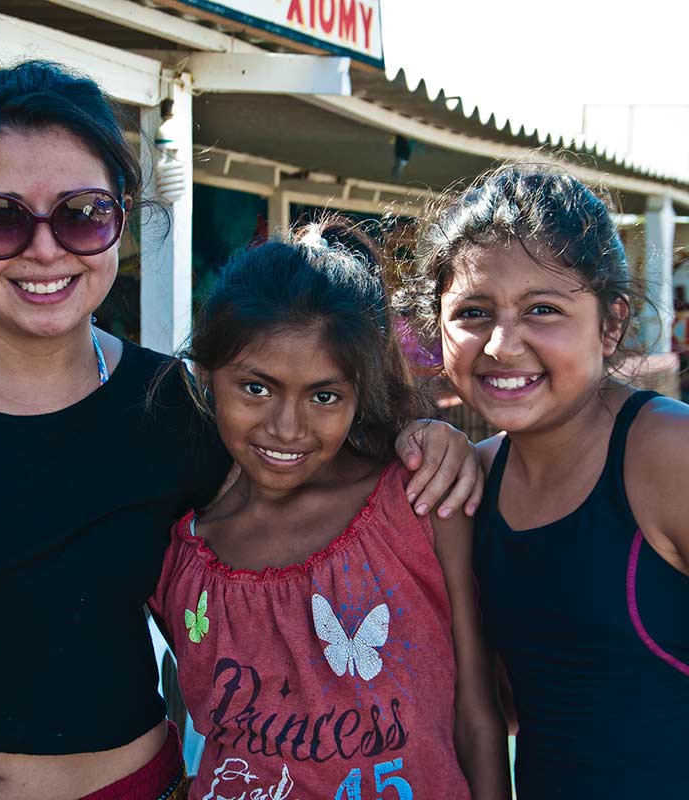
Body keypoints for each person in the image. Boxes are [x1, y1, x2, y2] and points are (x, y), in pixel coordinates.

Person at [0, 61, 481, 800]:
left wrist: (422, 440)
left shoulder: (177, 409)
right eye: (0, 217)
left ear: (122, 217)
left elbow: (305, 475)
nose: (45, 250)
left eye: (80, 213)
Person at [149, 219, 511, 799]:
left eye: (324, 396)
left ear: (357, 395)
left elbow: (477, 711)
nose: (287, 428)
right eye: (257, 388)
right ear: (206, 375)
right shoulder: (182, 554)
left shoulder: (418, 504)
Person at [410, 164, 689, 799]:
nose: (503, 345)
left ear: (611, 322)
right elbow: (506, 701)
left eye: (543, 310)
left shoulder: (669, 456)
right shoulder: (467, 481)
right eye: (474, 312)